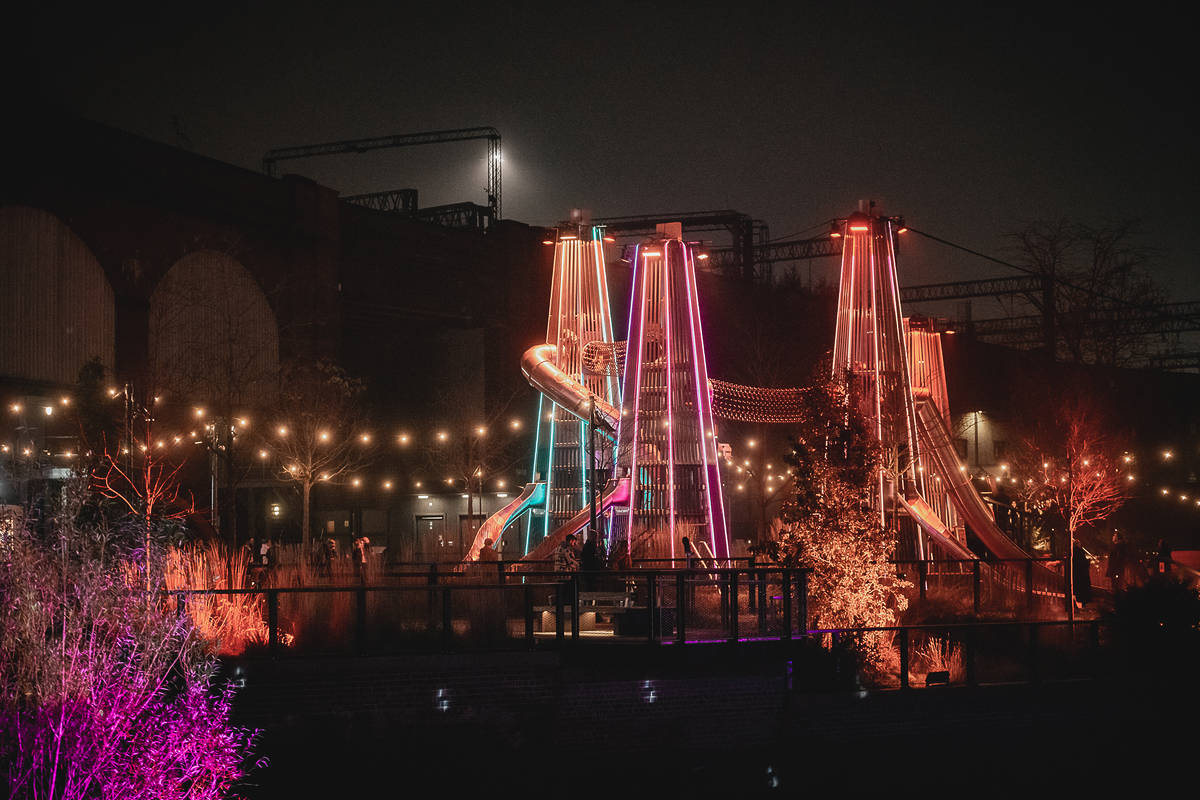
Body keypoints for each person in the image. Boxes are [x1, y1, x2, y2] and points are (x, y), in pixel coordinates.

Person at [1072, 541, 1092, 608]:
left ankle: (1078, 605)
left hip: (1076, 575)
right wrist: (1088, 561)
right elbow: (1082, 562)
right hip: (1082, 575)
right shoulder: (1079, 552)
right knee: (1081, 592)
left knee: (1077, 592)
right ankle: (1081, 606)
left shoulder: (1073, 552)